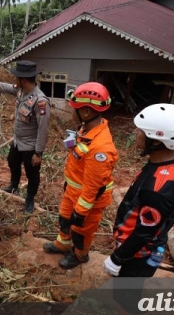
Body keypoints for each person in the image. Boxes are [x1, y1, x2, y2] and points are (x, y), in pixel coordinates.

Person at [102, 103, 174, 314]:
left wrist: (117, 258)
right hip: (153, 242)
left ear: (156, 141)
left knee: (124, 298)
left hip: (138, 253)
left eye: (141, 131)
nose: (135, 134)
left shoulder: (157, 191)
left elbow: (143, 233)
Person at [43, 82, 119, 269]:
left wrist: (81, 211)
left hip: (88, 200)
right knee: (65, 218)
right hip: (73, 191)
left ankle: (80, 255)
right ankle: (63, 244)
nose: (71, 112)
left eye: (74, 109)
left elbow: (93, 186)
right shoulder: (87, 129)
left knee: (81, 230)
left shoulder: (100, 149)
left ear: (86, 112)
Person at [0, 60, 50, 214]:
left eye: (16, 77)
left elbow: (43, 130)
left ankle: (30, 199)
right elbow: (5, 87)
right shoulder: (21, 91)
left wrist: (38, 153)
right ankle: (13, 185)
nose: (13, 80)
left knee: (32, 174)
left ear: (23, 80)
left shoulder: (40, 102)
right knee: (12, 161)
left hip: (30, 147)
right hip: (18, 141)